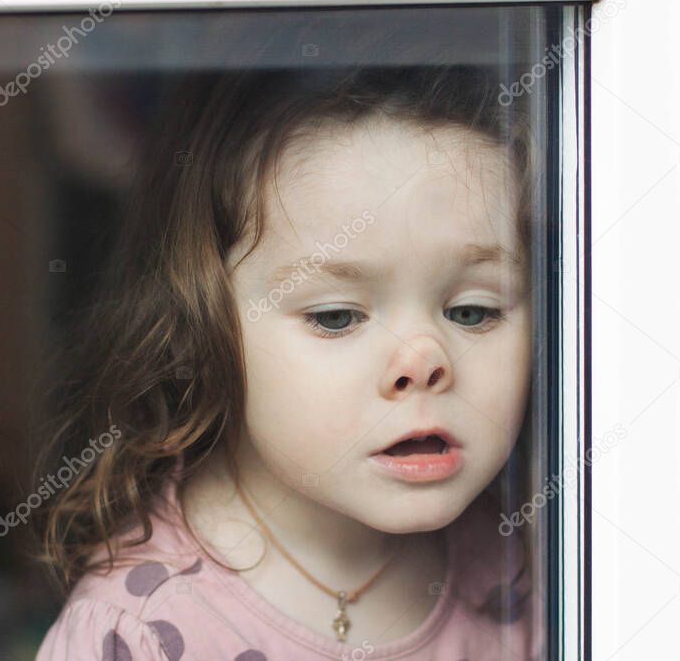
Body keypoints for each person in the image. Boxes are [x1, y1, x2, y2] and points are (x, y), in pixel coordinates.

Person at [34, 65, 542, 660]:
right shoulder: (137, 630)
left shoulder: (533, 563)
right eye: (336, 317)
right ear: (206, 328)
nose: (423, 361)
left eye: (472, 311)